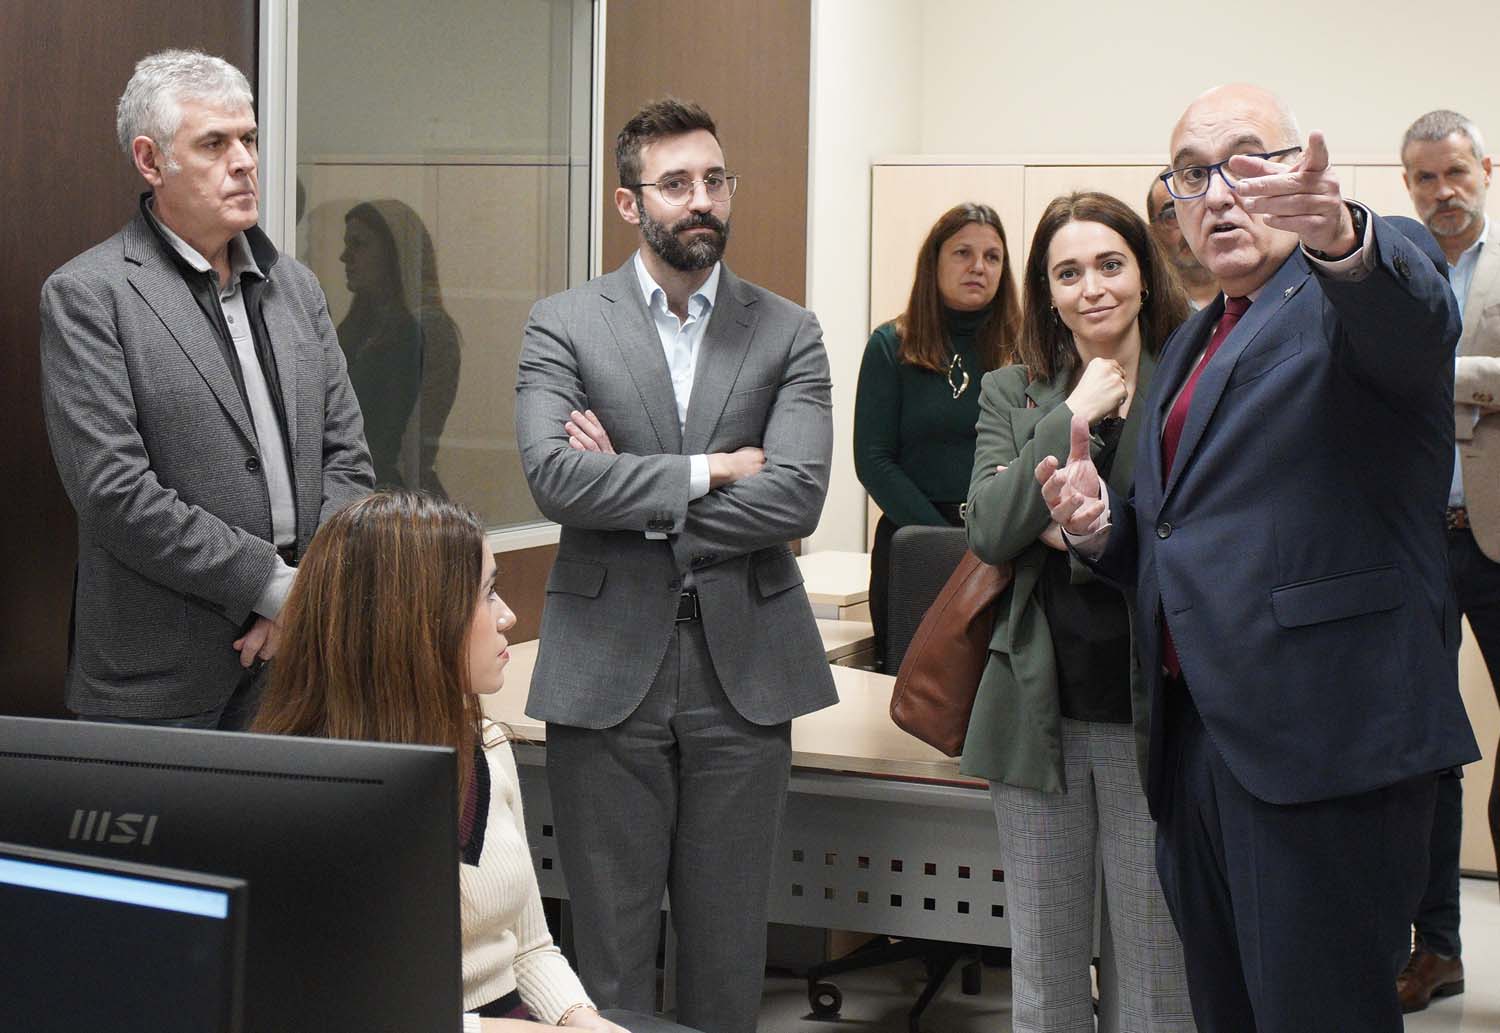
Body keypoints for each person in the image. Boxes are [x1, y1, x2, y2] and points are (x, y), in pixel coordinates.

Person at [1036, 83, 1479, 1033]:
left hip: (1323, 747)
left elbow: (1413, 309)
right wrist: (1101, 527)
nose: (1220, 192)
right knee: (1227, 1010)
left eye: (1247, 161)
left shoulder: (1355, 281)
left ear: (1299, 170)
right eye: (1193, 175)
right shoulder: (1193, 339)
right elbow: (1177, 537)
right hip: (1196, 741)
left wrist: (1344, 235)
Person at [514, 98, 835, 1033]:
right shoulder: (563, 323)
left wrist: (631, 488)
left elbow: (800, 497)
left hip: (748, 670)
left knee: (729, 951)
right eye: (676, 184)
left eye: (714, 180)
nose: (701, 200)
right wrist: (708, 470)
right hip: (605, 667)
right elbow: (553, 478)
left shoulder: (788, 331)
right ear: (628, 203)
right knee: (608, 956)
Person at [250, 491, 702, 1033]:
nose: (509, 615)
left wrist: (583, 1020)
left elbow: (530, 945)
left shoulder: (484, 743)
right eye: (486, 594)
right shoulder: (302, 798)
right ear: (414, 622)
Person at [38, 49, 372, 729]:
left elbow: (348, 459)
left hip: (302, 662)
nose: (245, 161)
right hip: (160, 678)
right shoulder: (89, 295)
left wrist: (308, 597)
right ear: (151, 161)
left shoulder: (297, 287)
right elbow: (114, 492)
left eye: (248, 139)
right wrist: (276, 588)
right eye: (214, 143)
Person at [964, 192, 1194, 1033]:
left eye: (1109, 264)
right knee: (1046, 967)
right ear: (1047, 291)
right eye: (1068, 272)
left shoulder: (1192, 376)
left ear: (1143, 272)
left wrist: (1078, 532)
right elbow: (988, 527)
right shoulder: (1014, 390)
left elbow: (1200, 531)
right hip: (1037, 712)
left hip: (1156, 708)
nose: (1091, 287)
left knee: (1156, 965)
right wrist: (1077, 410)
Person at [1396, 107, 1500, 1013]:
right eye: (1426, 179)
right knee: (1424, 755)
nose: (1443, 193)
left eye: (1456, 173)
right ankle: (1437, 947)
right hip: (1415, 545)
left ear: (1487, 169)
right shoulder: (1397, 271)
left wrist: (1454, 378)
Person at [854, 202, 1019, 666]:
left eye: (992, 257)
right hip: (915, 544)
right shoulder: (892, 346)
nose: (978, 267)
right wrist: (945, 539)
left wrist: (990, 535)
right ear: (935, 262)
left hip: (1005, 544)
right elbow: (873, 460)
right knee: (917, 695)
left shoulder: (1023, 348)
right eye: (962, 253)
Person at [338, 199, 462, 494]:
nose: (345, 257)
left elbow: (413, 444)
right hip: (355, 488)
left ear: (395, 253)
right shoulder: (357, 327)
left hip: (395, 496)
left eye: (359, 244)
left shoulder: (426, 329)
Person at [1146, 175, 1219, 309]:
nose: (1189, 226)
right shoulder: (1147, 310)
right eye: (1172, 215)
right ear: (1153, 234)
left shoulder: (1255, 295)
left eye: (1200, 209)